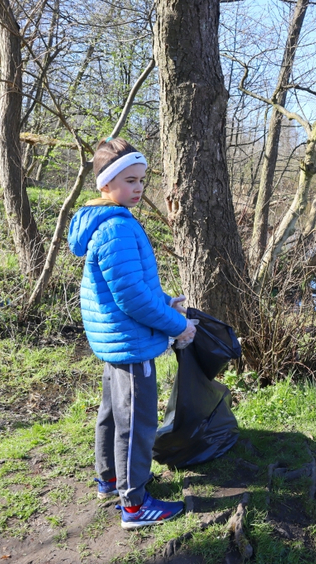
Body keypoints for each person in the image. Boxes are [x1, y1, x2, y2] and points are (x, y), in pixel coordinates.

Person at [67, 137, 197, 529]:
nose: (138, 188)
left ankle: (110, 478)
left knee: (112, 413)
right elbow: (134, 299)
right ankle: (135, 504)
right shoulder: (117, 228)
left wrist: (167, 300)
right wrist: (179, 325)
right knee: (136, 423)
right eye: (129, 181)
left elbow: (137, 284)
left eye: (141, 180)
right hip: (131, 342)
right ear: (105, 184)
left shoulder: (109, 220)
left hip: (116, 341)